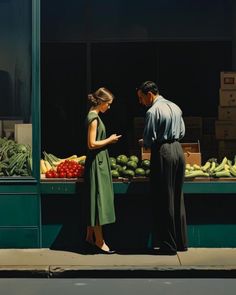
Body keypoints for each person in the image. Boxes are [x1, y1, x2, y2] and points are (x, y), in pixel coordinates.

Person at [136, 81, 188, 255]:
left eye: (141, 98)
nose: (141, 102)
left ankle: (168, 245)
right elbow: (181, 133)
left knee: (164, 197)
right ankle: (181, 243)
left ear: (149, 94)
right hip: (178, 151)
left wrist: (144, 142)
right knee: (177, 196)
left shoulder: (152, 111)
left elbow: (150, 139)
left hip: (163, 152)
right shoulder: (175, 106)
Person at [84, 87, 122, 254]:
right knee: (99, 200)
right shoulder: (94, 118)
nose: (109, 107)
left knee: (96, 198)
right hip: (97, 163)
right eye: (108, 103)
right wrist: (109, 140)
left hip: (98, 162)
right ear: (101, 102)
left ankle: (90, 235)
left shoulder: (94, 116)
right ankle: (99, 241)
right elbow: (91, 144)